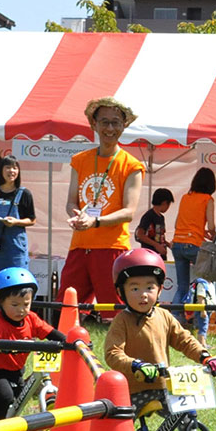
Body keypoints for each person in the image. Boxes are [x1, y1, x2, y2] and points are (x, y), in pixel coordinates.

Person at [104, 248, 216, 409]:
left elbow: (185, 341)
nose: (143, 295)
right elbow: (112, 354)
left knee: (187, 415)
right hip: (132, 390)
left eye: (149, 288)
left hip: (164, 387)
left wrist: (205, 356)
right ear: (121, 291)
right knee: (122, 425)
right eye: (135, 288)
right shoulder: (122, 321)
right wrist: (135, 365)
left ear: (160, 289)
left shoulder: (164, 316)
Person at [58, 97, 144, 323]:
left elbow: (129, 212)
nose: (110, 128)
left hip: (112, 247)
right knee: (67, 307)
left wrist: (95, 222)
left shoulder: (132, 165)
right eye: (104, 122)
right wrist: (76, 216)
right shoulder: (80, 160)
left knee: (116, 314)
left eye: (116, 122)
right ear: (93, 124)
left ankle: (120, 356)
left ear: (124, 126)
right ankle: (68, 353)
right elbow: (70, 202)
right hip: (80, 245)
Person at [0, 268, 67, 422]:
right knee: (5, 397)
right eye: (14, 305)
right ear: (0, 301)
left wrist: (66, 340)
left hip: (17, 370)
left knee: (21, 398)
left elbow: (48, 331)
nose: (21, 310)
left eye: (26, 304)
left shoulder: (31, 319)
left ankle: (12, 420)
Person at [0, 155, 35, 314]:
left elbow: (31, 220)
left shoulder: (24, 194)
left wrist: (16, 222)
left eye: (15, 167)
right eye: (8, 167)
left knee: (18, 284)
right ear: (1, 171)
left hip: (15, 246)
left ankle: (16, 322)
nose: (12, 171)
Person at [171, 168, 216, 328]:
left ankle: (175, 320)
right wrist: (212, 234)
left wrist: (199, 230)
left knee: (182, 286)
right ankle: (202, 322)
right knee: (204, 284)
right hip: (194, 245)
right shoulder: (208, 199)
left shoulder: (186, 197)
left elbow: (178, 224)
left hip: (177, 244)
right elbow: (212, 225)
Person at [136, 188, 173, 258]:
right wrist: (156, 245)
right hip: (149, 255)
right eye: (169, 204)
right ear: (164, 203)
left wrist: (168, 245)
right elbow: (140, 235)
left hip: (160, 255)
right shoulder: (148, 216)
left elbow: (159, 237)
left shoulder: (161, 218)